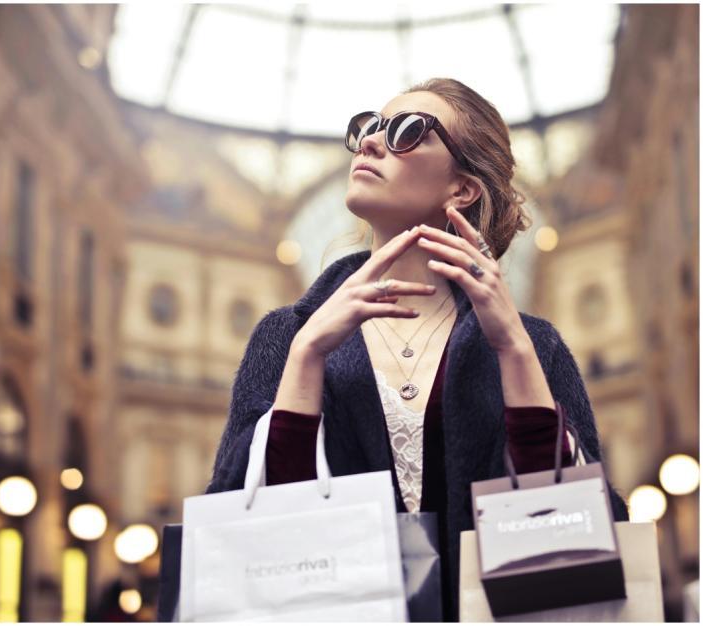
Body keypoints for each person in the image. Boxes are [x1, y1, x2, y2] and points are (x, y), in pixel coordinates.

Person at [205, 77, 628, 621]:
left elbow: (582, 526)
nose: (371, 143)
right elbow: (241, 516)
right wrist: (307, 356)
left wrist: (515, 354)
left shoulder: (533, 344)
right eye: (367, 128)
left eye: (407, 131)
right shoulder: (287, 335)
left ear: (462, 189)